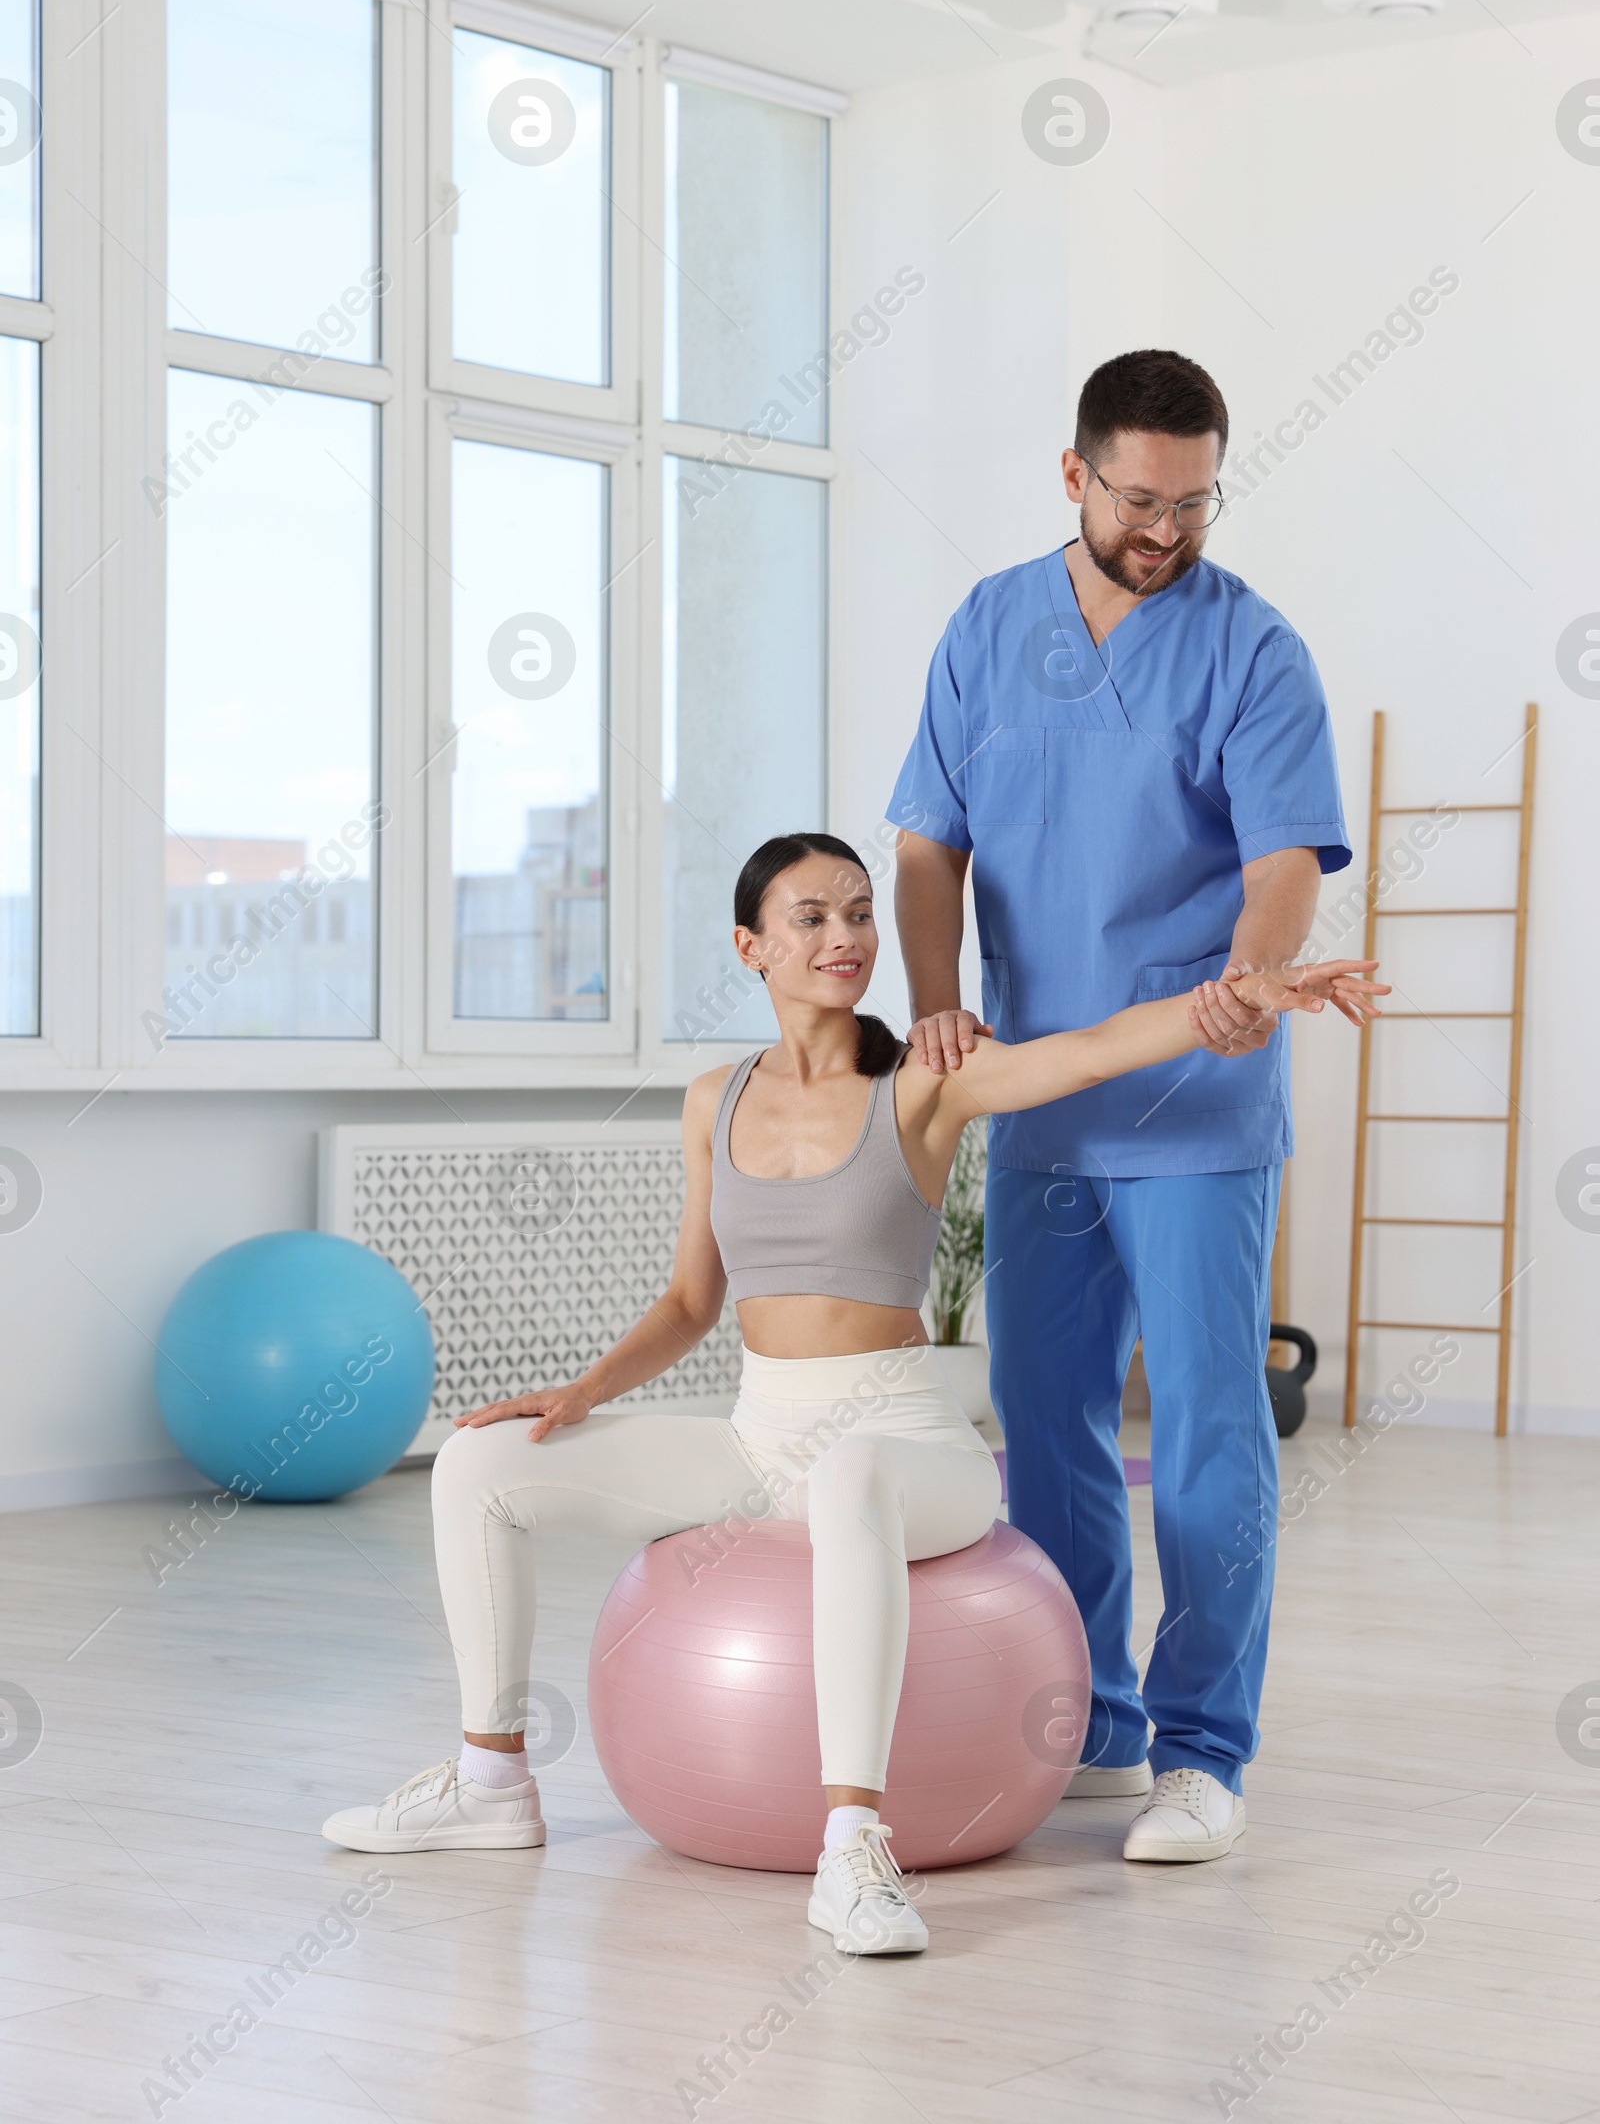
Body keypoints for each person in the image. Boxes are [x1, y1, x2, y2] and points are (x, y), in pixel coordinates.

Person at [324, 831, 1382, 1949]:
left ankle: (852, 1849)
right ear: (751, 945)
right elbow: (692, 1300)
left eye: (860, 912)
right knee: (480, 1464)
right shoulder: (710, 1098)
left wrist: (1243, 988)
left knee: (849, 1472)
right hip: (755, 1434)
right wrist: (577, 1393)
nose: (845, 936)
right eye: (811, 917)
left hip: (901, 1442)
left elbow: (1091, 1050)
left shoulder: (923, 1076)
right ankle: (489, 1782)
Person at [891, 346, 1354, 1864]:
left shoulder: (1253, 648)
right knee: (1047, 1421)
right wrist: (943, 995)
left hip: (1199, 1103)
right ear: (1074, 474)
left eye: (1196, 499)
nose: (1167, 527)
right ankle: (1090, 1715)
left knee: (1215, 1425)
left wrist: (1248, 975)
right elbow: (925, 847)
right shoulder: (987, 626)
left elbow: (1283, 861)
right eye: (1141, 498)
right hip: (1039, 1100)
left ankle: (1206, 1748)